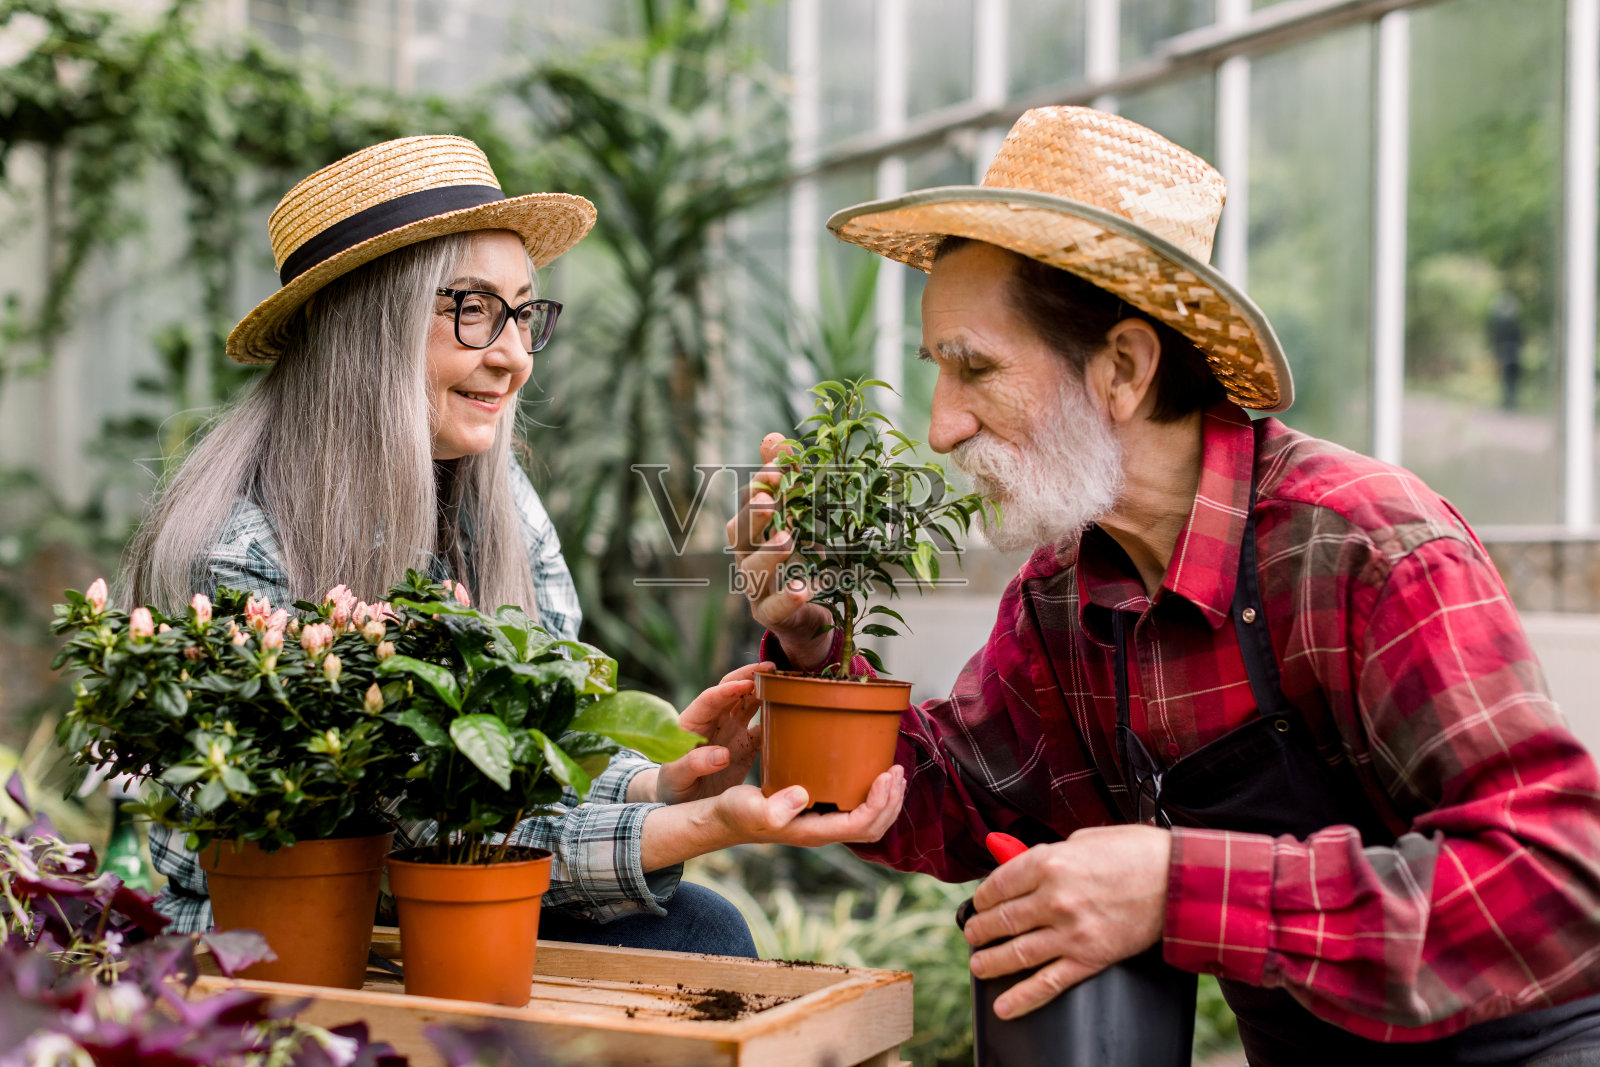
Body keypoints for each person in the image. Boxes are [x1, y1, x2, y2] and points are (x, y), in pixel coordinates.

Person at [730, 107, 1600, 1063]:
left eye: (974, 368)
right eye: (938, 371)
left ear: (1126, 368)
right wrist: (813, 646)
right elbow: (949, 798)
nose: (941, 427)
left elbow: (1556, 880)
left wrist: (1173, 888)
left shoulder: (1362, 549)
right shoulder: (1066, 595)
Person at [125, 135, 904, 953]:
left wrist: (664, 774)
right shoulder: (240, 548)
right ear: (366, 328)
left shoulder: (496, 497)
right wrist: (695, 824)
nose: (515, 356)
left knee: (703, 930)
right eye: (471, 310)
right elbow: (413, 846)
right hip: (284, 935)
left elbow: (523, 751)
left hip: (439, 900)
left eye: (524, 313)